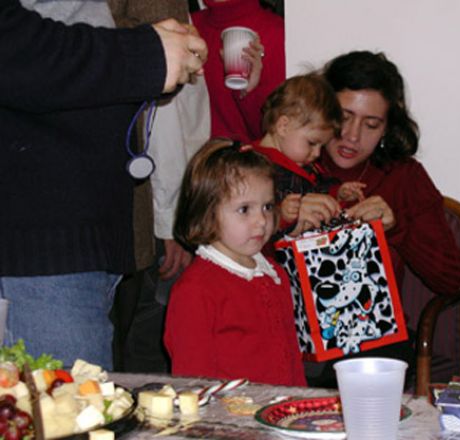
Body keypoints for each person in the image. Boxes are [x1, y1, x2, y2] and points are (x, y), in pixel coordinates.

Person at [0, 0, 207, 369]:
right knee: (65, 419)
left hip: (73, 239)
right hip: (37, 249)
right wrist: (147, 54)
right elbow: (14, 47)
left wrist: (158, 61)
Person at [291, 51, 460, 388]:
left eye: (371, 124)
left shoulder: (404, 176)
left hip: (368, 337)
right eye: (344, 117)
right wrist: (286, 221)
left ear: (387, 128)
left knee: (377, 363)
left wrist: (397, 228)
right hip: (287, 329)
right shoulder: (289, 163)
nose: (353, 136)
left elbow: (451, 278)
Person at [107, 0, 211, 373]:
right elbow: (162, 116)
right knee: (139, 351)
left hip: (146, 199)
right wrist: (172, 222)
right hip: (142, 204)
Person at [164, 138, 306, 386]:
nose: (262, 220)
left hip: (280, 413)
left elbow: (292, 358)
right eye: (244, 209)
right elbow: (192, 380)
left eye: (267, 206)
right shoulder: (195, 289)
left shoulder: (274, 273)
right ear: (207, 213)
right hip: (229, 420)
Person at [253, 73, 364, 236]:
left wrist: (337, 194)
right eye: (312, 143)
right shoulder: (252, 166)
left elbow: (319, 190)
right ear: (283, 126)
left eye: (322, 146)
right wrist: (279, 215)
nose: (317, 153)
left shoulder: (304, 164)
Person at [191, 0, 284, 142]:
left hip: (241, 160)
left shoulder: (277, 34)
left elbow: (276, 137)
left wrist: (247, 91)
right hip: (183, 158)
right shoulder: (190, 26)